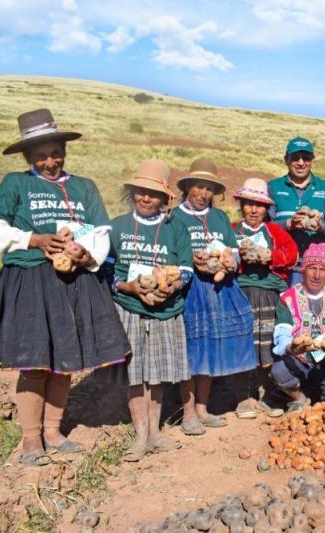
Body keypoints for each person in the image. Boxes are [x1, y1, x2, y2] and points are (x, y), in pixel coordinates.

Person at [0, 108, 130, 466]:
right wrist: (34, 239)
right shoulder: (15, 183)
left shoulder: (84, 186)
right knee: (35, 362)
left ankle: (53, 432)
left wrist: (87, 256)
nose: (50, 161)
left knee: (64, 362)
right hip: (32, 280)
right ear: (28, 157)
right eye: (41, 155)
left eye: (56, 153)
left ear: (64, 151)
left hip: (76, 282)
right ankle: (30, 439)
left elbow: (101, 232)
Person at [104, 159, 194, 461]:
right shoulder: (117, 227)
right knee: (135, 375)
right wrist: (129, 288)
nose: (146, 198)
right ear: (133, 193)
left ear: (165, 198)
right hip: (128, 308)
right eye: (141, 192)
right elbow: (107, 273)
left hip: (165, 310)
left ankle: (156, 433)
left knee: (156, 375)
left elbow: (186, 269)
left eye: (153, 194)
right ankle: (140, 436)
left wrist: (172, 286)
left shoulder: (176, 228)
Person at [172, 158, 256, 431]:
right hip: (190, 289)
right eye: (199, 187)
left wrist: (232, 261)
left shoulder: (219, 217)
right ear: (188, 188)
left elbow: (232, 250)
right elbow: (171, 253)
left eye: (209, 189)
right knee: (190, 350)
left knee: (208, 348)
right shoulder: (175, 217)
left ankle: (202, 408)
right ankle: (188, 413)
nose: (204, 194)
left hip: (219, 290)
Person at [232, 177, 298, 418]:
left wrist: (269, 256)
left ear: (266, 208)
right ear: (241, 204)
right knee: (243, 344)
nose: (254, 210)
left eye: (259, 205)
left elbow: (291, 254)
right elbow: (221, 256)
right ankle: (244, 397)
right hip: (239, 295)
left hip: (269, 294)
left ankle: (269, 394)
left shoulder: (275, 231)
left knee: (269, 346)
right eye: (249, 204)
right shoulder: (232, 230)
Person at [270, 243, 325, 407]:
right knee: (279, 371)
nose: (317, 275)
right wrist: (292, 347)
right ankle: (300, 399)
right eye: (312, 268)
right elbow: (282, 336)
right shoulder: (287, 298)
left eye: (322, 269)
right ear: (303, 270)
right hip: (299, 360)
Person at [267, 136, 325, 285]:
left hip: (315, 268)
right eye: (295, 157)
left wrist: (321, 226)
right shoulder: (273, 187)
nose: (301, 163)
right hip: (282, 267)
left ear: (312, 160)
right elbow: (265, 227)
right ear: (286, 160)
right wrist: (289, 224)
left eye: (306, 158)